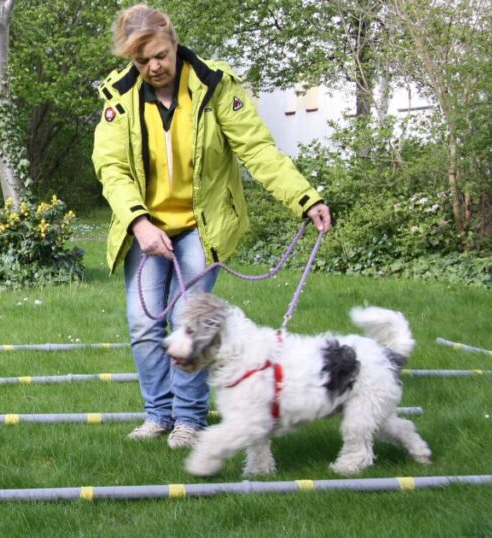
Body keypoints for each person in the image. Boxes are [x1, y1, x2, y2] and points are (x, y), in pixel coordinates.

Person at [92, 4, 332, 449]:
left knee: (190, 322)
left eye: (160, 55)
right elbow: (111, 168)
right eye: (142, 61)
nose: (153, 67)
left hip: (201, 228)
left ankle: (189, 420)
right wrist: (139, 222)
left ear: (174, 41)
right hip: (146, 228)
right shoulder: (118, 97)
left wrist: (305, 197)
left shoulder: (216, 85)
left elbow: (257, 149)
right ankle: (158, 414)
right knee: (143, 323)